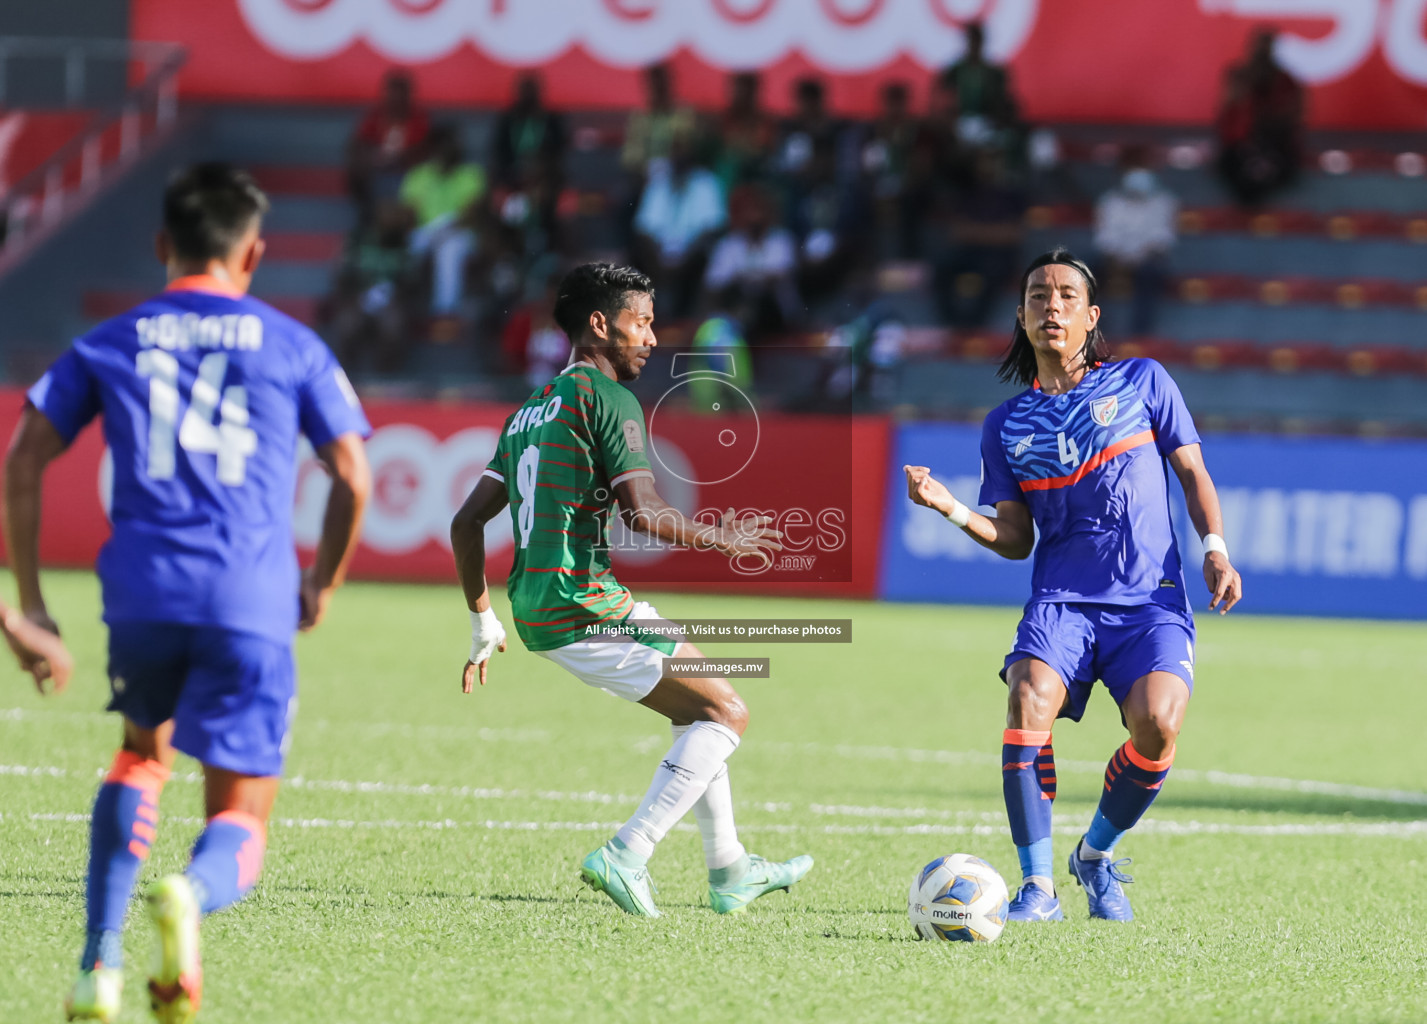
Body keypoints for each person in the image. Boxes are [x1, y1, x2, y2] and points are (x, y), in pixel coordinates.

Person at [4, 163, 372, 1022]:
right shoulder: (292, 344)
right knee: (240, 813)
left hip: (141, 596)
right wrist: (323, 579)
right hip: (248, 600)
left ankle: (99, 963)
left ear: (163, 246)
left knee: (140, 755)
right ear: (254, 254)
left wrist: (30, 601)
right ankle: (190, 898)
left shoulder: (110, 340)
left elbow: (24, 457)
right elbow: (352, 472)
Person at [449, 262, 812, 918]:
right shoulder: (606, 398)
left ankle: (729, 868)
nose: (650, 336)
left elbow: (466, 521)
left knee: (694, 711)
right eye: (639, 322)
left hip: (537, 604)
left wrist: (482, 620)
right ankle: (629, 850)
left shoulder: (529, 409)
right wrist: (721, 538)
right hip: (583, 600)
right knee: (727, 712)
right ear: (598, 325)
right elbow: (642, 514)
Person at [904, 248, 1242, 923]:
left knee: (1157, 726)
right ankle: (1036, 887)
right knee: (1027, 700)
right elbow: (1014, 539)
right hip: (1061, 602)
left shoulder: (1143, 382)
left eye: (1063, 295)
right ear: (1021, 317)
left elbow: (1193, 474)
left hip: (1150, 601)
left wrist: (1214, 549)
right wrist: (947, 507)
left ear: (1091, 317)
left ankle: (1092, 855)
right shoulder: (1005, 424)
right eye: (1035, 295)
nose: (1048, 305)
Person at [399, 122, 487, 322]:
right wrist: (427, 232)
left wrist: (442, 232)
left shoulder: (471, 174)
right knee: (406, 248)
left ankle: (445, 313)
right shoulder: (417, 175)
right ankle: (400, 303)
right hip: (425, 232)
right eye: (444, 145)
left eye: (453, 145)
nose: (448, 150)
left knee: (450, 248)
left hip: (461, 234)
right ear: (434, 148)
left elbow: (470, 216)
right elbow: (409, 216)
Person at [1092, 146, 1177, 337]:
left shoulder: (1164, 201)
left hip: (1146, 258)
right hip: (1114, 258)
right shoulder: (1109, 201)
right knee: (1085, 272)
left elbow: (1162, 238)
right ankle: (1095, 329)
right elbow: (1105, 237)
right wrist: (1117, 258)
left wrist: (1139, 257)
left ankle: (1141, 333)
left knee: (1150, 273)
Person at [1216, 29, 1305, 207]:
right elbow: (1228, 114)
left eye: (1267, 48)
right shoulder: (1239, 77)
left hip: (1276, 147)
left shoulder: (1287, 82)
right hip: (1239, 149)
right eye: (1260, 48)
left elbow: (1293, 117)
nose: (1263, 53)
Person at [347, 70, 430, 224]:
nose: (396, 98)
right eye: (392, 93)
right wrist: (373, 158)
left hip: (406, 171)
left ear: (408, 95)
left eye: (400, 93)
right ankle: (367, 223)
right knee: (362, 172)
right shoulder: (374, 117)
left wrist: (398, 158)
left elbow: (421, 149)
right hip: (375, 169)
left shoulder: (419, 120)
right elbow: (359, 144)